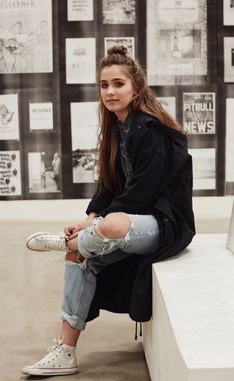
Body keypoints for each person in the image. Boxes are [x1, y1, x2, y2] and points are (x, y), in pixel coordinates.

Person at [21, 45, 195, 376]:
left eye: (118, 84)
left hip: (167, 223)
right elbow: (109, 187)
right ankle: (66, 351)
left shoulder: (152, 130)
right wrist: (89, 220)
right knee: (82, 254)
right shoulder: (117, 130)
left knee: (112, 225)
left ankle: (67, 242)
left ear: (136, 87)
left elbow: (139, 195)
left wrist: (93, 227)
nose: (110, 92)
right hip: (131, 218)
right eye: (104, 85)